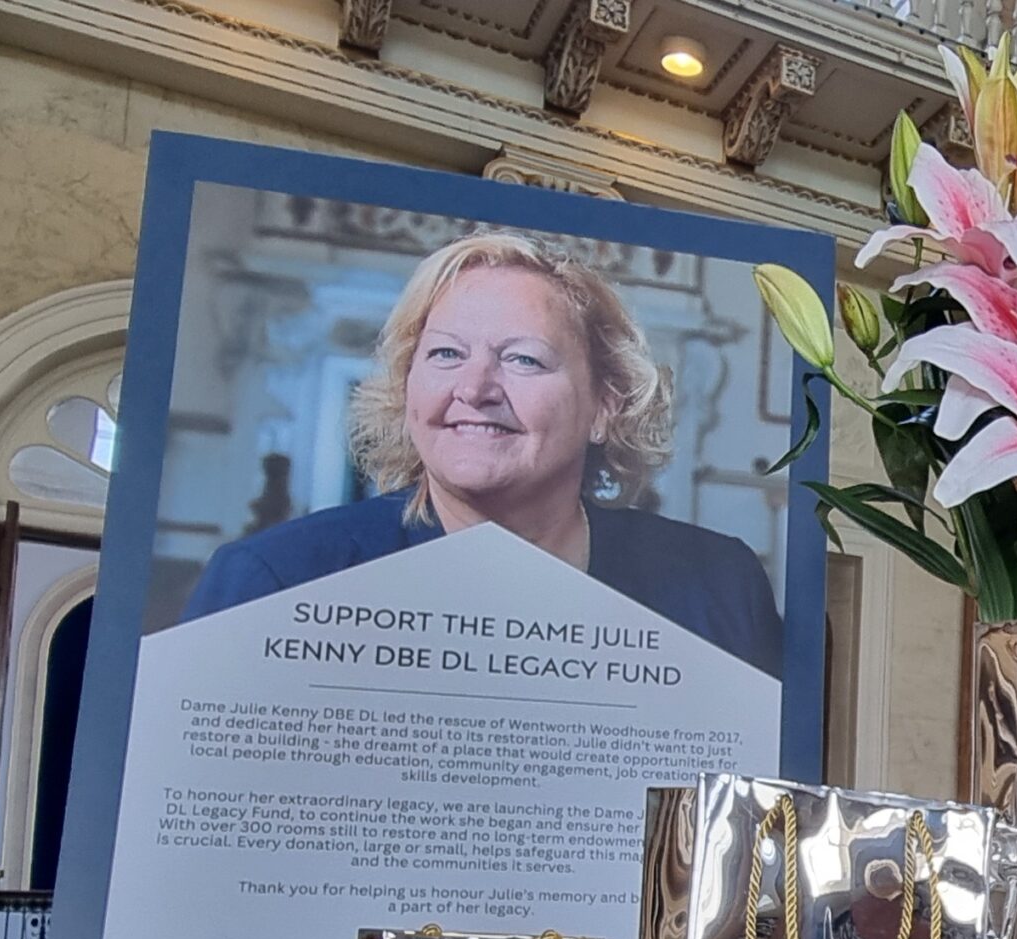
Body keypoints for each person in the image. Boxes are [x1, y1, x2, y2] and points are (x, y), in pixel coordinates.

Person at [183, 232, 783, 676]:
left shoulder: (720, 588)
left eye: (523, 358)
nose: (473, 390)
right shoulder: (273, 582)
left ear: (606, 404)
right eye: (445, 355)